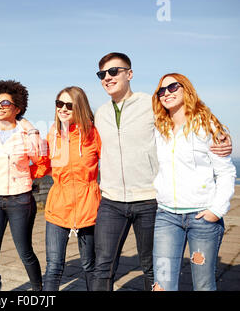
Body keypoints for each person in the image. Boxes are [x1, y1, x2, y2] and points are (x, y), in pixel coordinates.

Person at [92, 52, 233, 291]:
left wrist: (216, 209)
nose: (107, 77)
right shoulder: (103, 114)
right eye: (102, 74)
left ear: (129, 74)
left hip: (161, 204)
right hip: (128, 204)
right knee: (114, 269)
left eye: (114, 71)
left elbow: (220, 162)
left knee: (182, 278)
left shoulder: (157, 107)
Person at [151, 73, 236, 291]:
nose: (166, 93)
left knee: (203, 286)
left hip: (202, 218)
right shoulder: (159, 127)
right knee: (161, 285)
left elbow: (226, 172)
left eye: (172, 87)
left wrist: (216, 210)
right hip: (166, 217)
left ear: (186, 89)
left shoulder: (207, 125)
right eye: (161, 90)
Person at [31, 86, 101, 291]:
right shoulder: (53, 133)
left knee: (90, 266)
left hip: (89, 207)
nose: (62, 108)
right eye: (59, 103)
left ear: (79, 106)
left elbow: (113, 161)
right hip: (58, 207)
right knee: (53, 267)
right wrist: (21, 170)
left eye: (68, 105)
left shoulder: (92, 133)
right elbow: (43, 165)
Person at [0, 80, 43, 291]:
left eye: (6, 103)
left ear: (17, 107)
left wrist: (30, 128)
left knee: (25, 251)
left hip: (21, 199)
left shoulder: (27, 133)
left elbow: (40, 160)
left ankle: (38, 291)